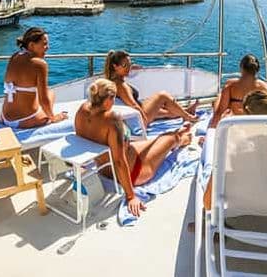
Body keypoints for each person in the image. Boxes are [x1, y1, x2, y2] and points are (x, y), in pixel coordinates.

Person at [75, 78, 193, 217]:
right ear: (108, 99)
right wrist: (131, 196)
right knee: (170, 138)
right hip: (133, 172)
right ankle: (180, 139)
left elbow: (81, 141)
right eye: (113, 99)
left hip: (105, 170)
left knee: (157, 139)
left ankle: (172, 136)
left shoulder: (82, 111)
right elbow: (119, 161)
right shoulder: (111, 120)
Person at [200, 89, 267, 210]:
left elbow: (208, 204)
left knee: (211, 141)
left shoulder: (236, 155)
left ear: (248, 118)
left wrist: (222, 134)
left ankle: (208, 140)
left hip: (235, 221)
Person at [105, 50, 198, 128]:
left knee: (167, 112)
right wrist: (144, 119)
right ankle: (188, 117)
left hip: (135, 114)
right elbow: (133, 105)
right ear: (115, 66)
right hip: (139, 118)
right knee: (162, 95)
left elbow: (131, 103)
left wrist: (129, 68)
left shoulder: (111, 79)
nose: (128, 68)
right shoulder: (121, 86)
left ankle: (186, 111)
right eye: (125, 65)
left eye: (130, 64)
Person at [0, 27, 68, 128]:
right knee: (51, 94)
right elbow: (44, 100)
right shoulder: (40, 64)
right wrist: (53, 118)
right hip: (25, 120)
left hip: (4, 117)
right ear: (31, 45)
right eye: (44, 44)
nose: (47, 47)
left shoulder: (14, 56)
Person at [208, 54, 267, 129]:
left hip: (237, 123)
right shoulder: (265, 88)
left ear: (241, 68)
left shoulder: (230, 85)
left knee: (219, 96)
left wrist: (212, 130)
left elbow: (219, 112)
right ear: (257, 70)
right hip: (255, 126)